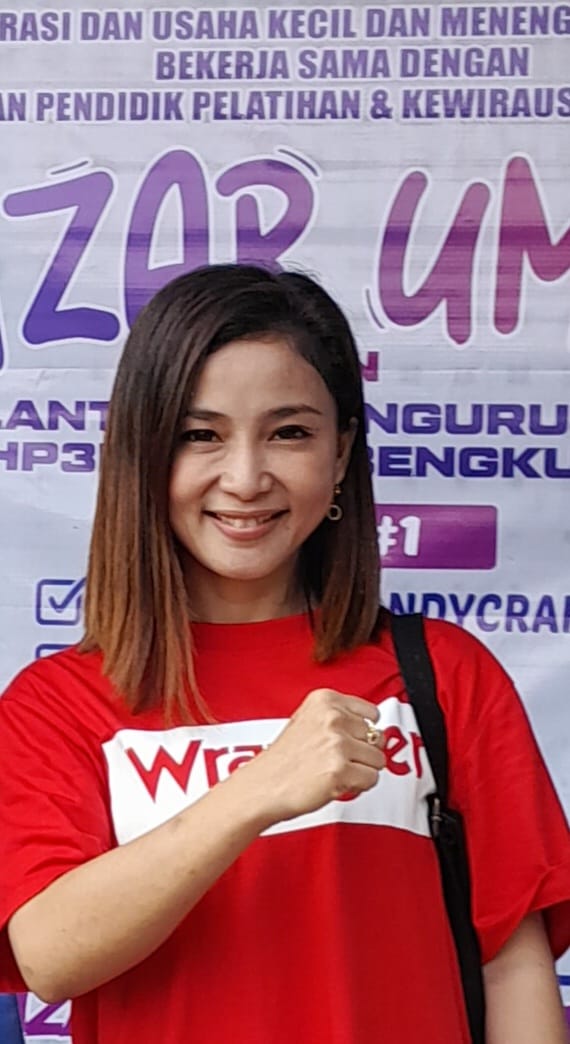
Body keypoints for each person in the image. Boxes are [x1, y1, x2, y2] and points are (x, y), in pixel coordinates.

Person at [0, 264, 568, 1044]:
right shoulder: (56, 703)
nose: (245, 478)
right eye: (200, 435)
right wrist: (258, 789)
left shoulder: (444, 674)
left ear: (341, 453)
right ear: (142, 454)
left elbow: (511, 967)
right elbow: (49, 957)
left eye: (289, 432)